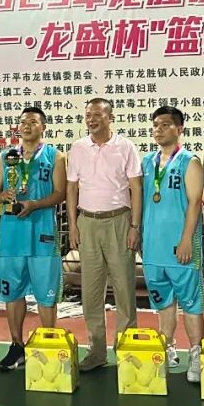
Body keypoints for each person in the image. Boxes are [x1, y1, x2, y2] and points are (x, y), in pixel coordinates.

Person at [66, 97, 142, 371]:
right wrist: (73, 225)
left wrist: (134, 226)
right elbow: (71, 189)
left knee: (124, 289)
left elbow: (136, 188)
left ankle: (126, 351)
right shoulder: (78, 148)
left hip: (119, 221)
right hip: (87, 222)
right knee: (91, 291)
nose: (91, 119)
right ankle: (96, 351)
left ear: (110, 117)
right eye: (88, 115)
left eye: (97, 114)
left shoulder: (126, 147)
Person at [0, 107, 67, 371]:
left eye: (33, 122)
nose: (26, 125)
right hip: (12, 236)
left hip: (43, 234)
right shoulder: (5, 156)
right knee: (12, 293)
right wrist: (4, 196)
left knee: (46, 294)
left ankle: (48, 343)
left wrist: (34, 204)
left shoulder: (55, 156)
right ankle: (16, 346)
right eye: (22, 121)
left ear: (43, 127)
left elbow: (60, 193)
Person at [140, 106, 204, 383]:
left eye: (165, 124)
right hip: (153, 247)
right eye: (156, 125)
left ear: (179, 129)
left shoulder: (190, 162)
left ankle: (196, 354)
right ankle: (167, 347)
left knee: (191, 303)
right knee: (162, 302)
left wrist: (187, 239)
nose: (159, 129)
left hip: (181, 247)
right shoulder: (147, 162)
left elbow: (195, 203)